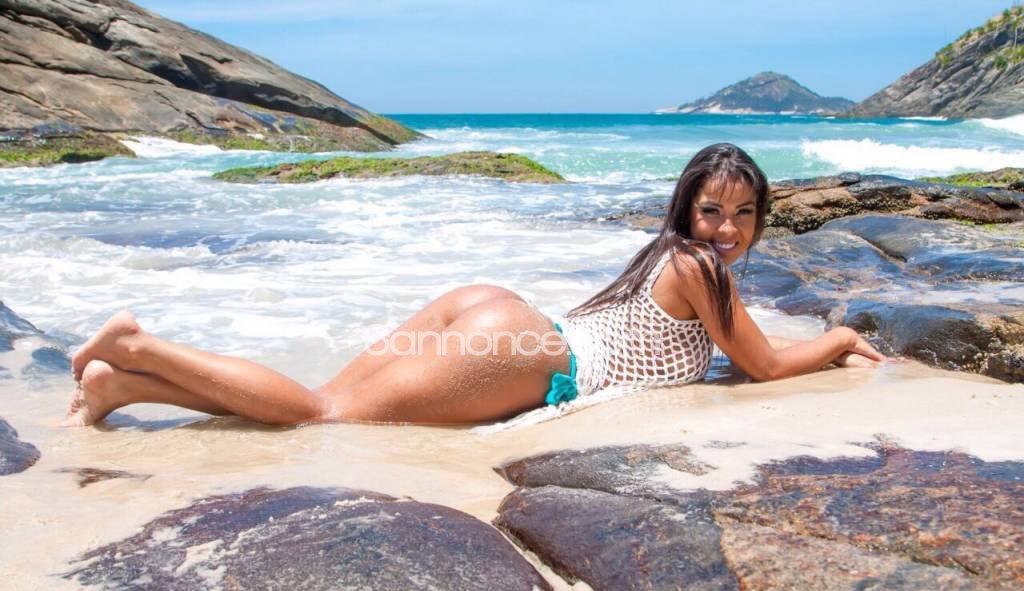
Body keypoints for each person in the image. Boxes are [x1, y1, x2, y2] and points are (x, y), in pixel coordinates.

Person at [64, 143, 884, 428]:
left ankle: (121, 386)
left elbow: (743, 351)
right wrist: (842, 336)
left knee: (323, 400)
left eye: (744, 213)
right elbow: (763, 365)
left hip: (499, 311)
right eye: (712, 210)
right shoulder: (701, 268)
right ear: (686, 209)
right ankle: (139, 344)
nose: (728, 229)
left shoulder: (669, 257)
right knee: (323, 415)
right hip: (533, 354)